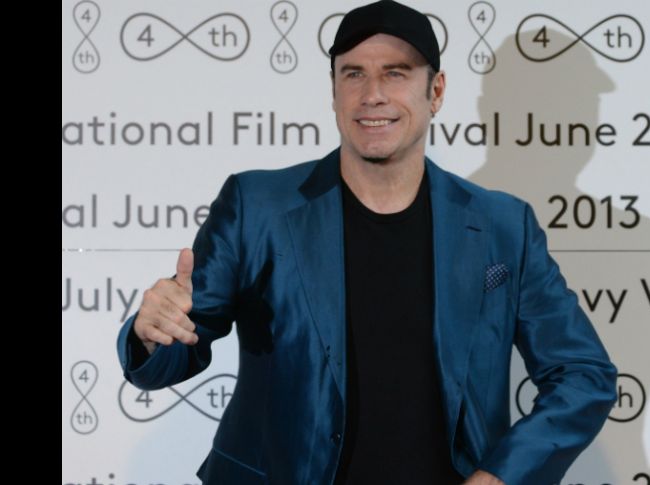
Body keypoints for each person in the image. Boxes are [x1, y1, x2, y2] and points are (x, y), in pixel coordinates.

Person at [116, 1, 618, 484]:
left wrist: (503, 475)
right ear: (334, 91)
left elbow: (582, 374)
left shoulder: (504, 226)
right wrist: (152, 333)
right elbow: (175, 350)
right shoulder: (257, 207)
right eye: (353, 74)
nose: (372, 94)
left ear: (436, 91)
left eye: (395, 73)